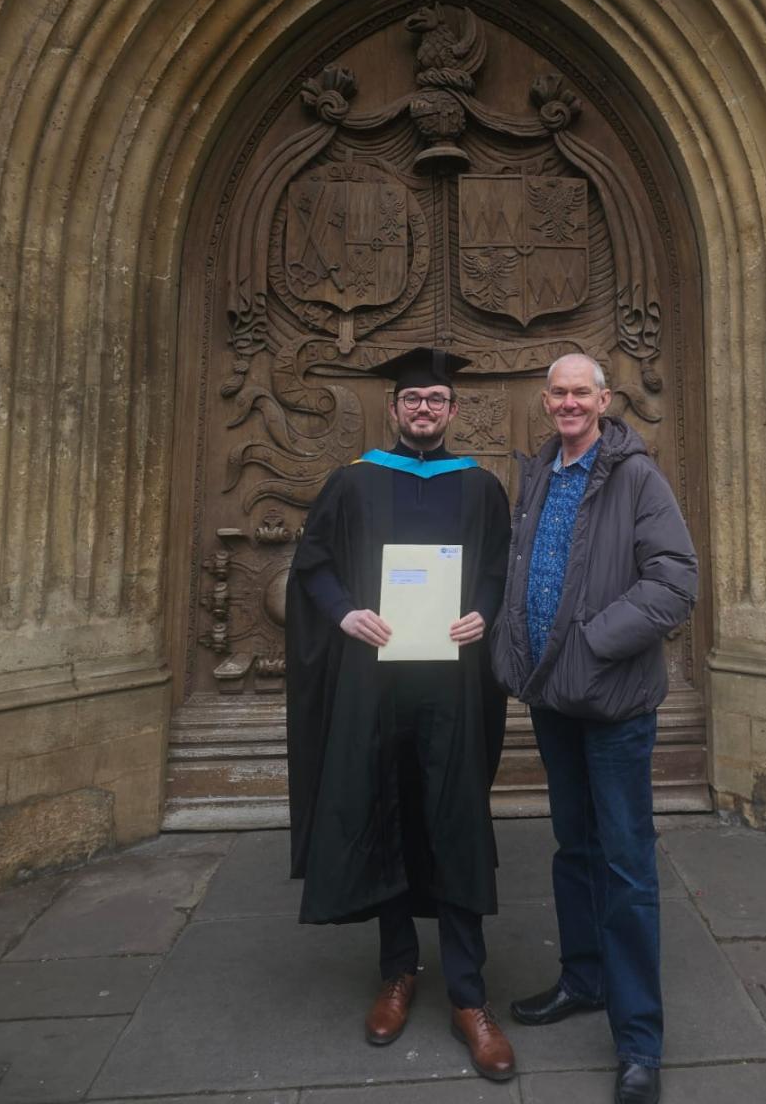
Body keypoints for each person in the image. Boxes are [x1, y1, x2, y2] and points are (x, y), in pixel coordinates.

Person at [285, 346, 517, 1083]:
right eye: (412, 399)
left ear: (453, 411)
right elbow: (313, 567)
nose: (424, 410)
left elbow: (498, 574)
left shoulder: (479, 488)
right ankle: (397, 971)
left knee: (453, 819)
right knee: (383, 812)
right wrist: (344, 614)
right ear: (393, 409)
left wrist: (483, 611)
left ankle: (470, 996)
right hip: (376, 685)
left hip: (453, 688)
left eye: (436, 401)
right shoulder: (352, 484)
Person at [490, 353, 698, 1104]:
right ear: (545, 401)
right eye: (559, 393)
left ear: (605, 400)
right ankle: (583, 978)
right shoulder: (540, 473)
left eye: (583, 392)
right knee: (572, 848)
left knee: (626, 864)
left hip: (611, 704)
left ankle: (639, 1039)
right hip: (553, 698)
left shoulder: (636, 476)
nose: (570, 403)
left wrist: (591, 641)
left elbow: (675, 582)